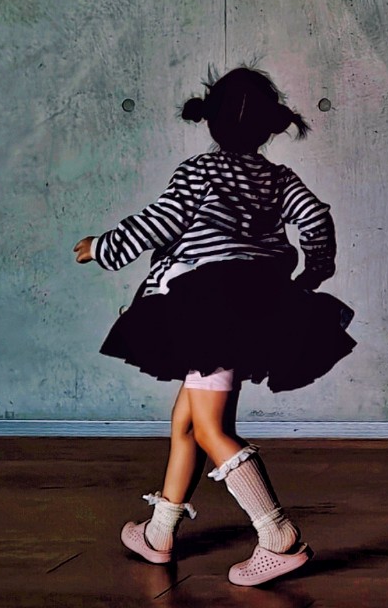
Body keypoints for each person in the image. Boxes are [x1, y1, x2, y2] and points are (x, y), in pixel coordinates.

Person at [73, 65, 355, 587]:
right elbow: (316, 219)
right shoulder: (278, 178)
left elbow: (160, 221)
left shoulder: (200, 171)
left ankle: (278, 536)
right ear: (268, 127)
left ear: (211, 122)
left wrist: (103, 247)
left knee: (210, 428)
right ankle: (159, 532)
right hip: (259, 304)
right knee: (187, 421)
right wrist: (312, 272)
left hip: (209, 306)